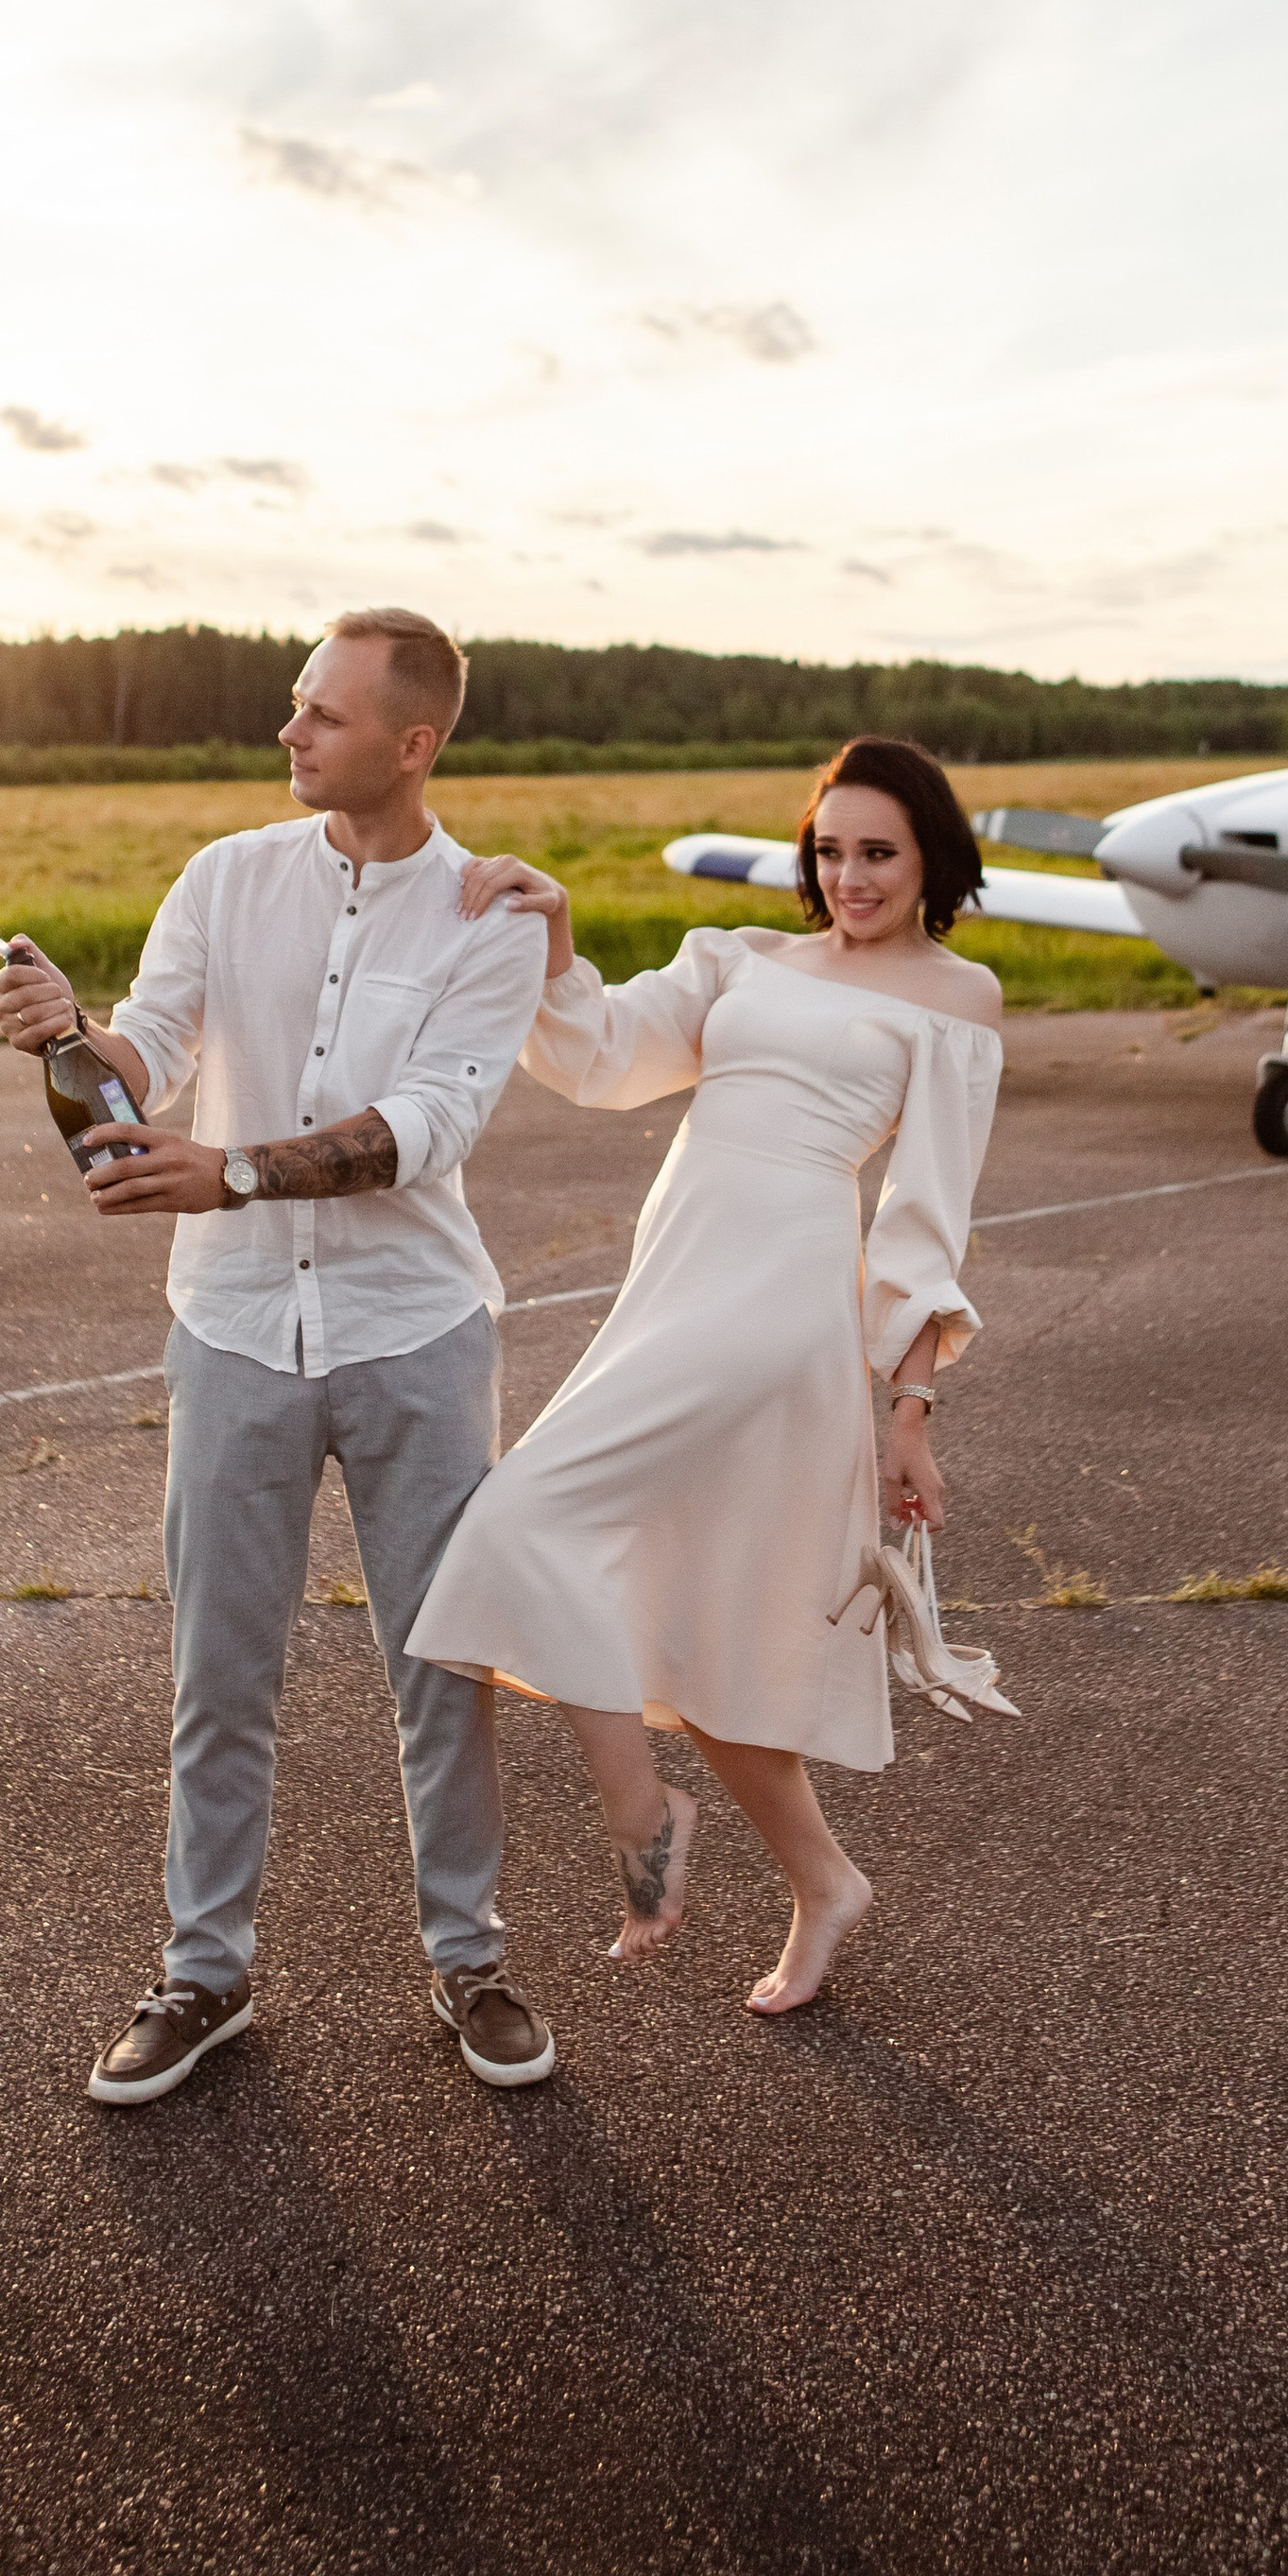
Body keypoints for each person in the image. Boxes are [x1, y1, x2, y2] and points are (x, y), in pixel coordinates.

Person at [0, 610, 556, 2105]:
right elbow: (147, 1057)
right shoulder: (223, 879)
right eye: (296, 705)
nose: (288, 733)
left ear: (412, 743)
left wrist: (228, 1173)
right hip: (232, 1333)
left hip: (416, 1337)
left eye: (321, 715)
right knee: (219, 1667)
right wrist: (71, 1042)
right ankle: (203, 1977)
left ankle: (470, 1962)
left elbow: (425, 1129)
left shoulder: (494, 920)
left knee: (443, 1667)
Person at [408, 737, 1006, 2015]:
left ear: (930, 859)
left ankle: (642, 1816)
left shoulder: (960, 999)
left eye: (879, 853)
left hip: (779, 1302)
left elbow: (923, 1220)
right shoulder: (740, 957)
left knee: (520, 1521)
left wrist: (911, 1412)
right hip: (672, 1282)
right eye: (830, 850)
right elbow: (606, 1058)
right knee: (704, 1628)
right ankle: (824, 1882)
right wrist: (558, 941)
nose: (850, 876)